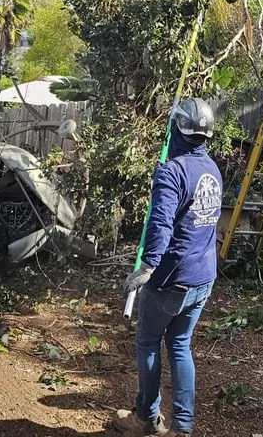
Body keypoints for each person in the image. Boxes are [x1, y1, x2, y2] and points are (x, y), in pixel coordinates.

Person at [114, 98, 223, 437]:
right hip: (202, 277)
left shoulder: (171, 171)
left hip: (171, 279)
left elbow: (160, 224)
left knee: (148, 340)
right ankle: (183, 427)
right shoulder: (212, 169)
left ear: (177, 129)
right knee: (180, 344)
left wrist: (147, 267)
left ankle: (146, 418)